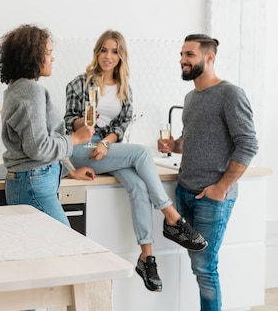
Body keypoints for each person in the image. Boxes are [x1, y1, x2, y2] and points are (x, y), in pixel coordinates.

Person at [65, 29, 208, 292]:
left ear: (121, 56)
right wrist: (85, 120)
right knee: (141, 153)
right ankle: (173, 218)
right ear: (97, 52)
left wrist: (107, 143)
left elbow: (121, 124)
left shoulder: (124, 87)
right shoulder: (79, 83)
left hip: (108, 151)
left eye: (114, 51)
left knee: (138, 187)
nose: (108, 56)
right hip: (82, 149)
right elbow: (69, 122)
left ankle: (146, 258)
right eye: (104, 50)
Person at [158, 34, 258, 310]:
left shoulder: (230, 94)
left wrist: (221, 188)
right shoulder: (190, 97)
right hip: (185, 191)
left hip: (212, 198)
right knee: (198, 265)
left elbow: (248, 144)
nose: (182, 60)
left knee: (205, 268)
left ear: (209, 57)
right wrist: (173, 145)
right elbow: (189, 141)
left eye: (189, 54)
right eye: (181, 54)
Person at [0, 24, 95, 227]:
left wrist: (69, 170)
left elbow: (42, 139)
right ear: (32, 56)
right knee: (66, 246)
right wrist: (77, 138)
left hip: (32, 181)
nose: (53, 58)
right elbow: (39, 148)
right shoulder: (30, 91)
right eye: (49, 53)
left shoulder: (16, 89)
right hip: (34, 183)